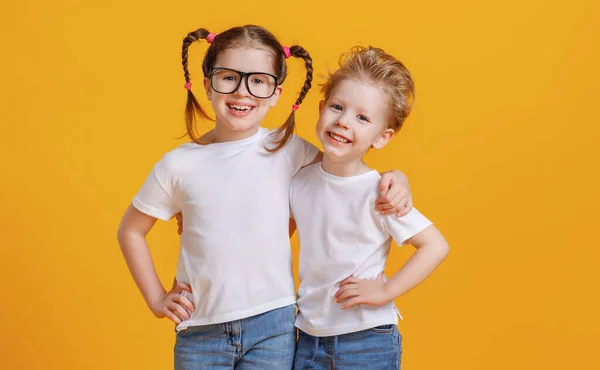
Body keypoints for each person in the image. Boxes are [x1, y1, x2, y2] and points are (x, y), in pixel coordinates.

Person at [117, 25, 413, 370]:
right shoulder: (178, 165)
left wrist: (396, 177)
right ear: (207, 84)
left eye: (258, 81)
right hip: (201, 328)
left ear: (276, 93)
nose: (243, 92)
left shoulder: (288, 149)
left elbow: (346, 173)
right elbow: (131, 231)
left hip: (274, 324)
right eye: (228, 77)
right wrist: (155, 298)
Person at [290, 46, 450, 369]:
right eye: (337, 107)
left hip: (367, 339)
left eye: (362, 117)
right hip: (307, 338)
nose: (344, 121)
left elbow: (436, 245)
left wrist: (385, 291)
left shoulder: (381, 192)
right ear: (321, 109)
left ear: (382, 137)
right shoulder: (299, 181)